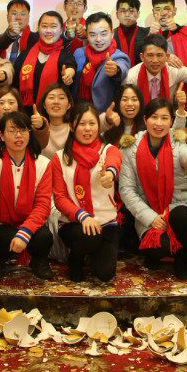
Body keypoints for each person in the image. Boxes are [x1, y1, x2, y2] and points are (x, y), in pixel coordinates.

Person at [119, 99, 187, 279]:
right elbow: (127, 190)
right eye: (154, 117)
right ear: (145, 120)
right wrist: (151, 218)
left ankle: (183, 256)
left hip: (179, 203)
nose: (159, 123)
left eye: (164, 118)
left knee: (181, 217)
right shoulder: (130, 149)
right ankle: (159, 253)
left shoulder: (177, 142)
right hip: (148, 209)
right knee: (159, 248)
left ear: (171, 121)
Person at [0, 111, 55, 281]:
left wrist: (25, 232)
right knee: (5, 238)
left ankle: (38, 261)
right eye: (12, 131)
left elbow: (43, 205)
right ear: (1, 136)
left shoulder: (42, 163)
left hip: (27, 222)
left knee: (45, 237)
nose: (18, 136)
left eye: (23, 130)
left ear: (29, 133)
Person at [51, 104, 123, 282]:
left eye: (92, 123)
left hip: (106, 222)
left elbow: (114, 161)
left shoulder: (108, 150)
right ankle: (76, 258)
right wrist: (83, 216)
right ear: (71, 126)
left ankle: (91, 253)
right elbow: (60, 198)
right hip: (74, 223)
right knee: (90, 237)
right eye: (82, 124)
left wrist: (110, 174)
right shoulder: (60, 158)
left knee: (105, 274)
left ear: (98, 126)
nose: (87, 129)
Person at [124, 35, 187, 105]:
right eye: (150, 55)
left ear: (167, 57)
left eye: (159, 55)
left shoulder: (174, 71)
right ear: (142, 57)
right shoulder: (131, 77)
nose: (155, 60)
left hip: (168, 118)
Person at [13, 11, 76, 109]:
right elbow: (14, 83)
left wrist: (68, 75)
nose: (48, 30)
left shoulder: (66, 56)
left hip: (54, 112)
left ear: (61, 30)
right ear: (38, 29)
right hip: (25, 112)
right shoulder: (25, 55)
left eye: (53, 26)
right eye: (44, 26)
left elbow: (70, 67)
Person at [72, 12, 129, 109]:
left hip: (105, 113)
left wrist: (116, 71)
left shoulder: (118, 57)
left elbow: (122, 68)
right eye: (93, 35)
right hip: (79, 110)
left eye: (103, 34)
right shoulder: (79, 53)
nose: (98, 39)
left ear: (112, 34)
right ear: (87, 35)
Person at [32, 83, 72, 160]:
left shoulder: (75, 128)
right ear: (44, 105)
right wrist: (40, 129)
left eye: (61, 98)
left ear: (68, 105)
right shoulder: (39, 129)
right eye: (51, 97)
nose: (56, 102)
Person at [113, 0, 149, 66]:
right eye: (123, 11)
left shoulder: (147, 33)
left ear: (138, 14)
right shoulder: (110, 35)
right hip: (115, 73)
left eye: (131, 11)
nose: (127, 14)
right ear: (117, 14)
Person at [0, 0, 34, 64]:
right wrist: (10, 34)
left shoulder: (37, 40)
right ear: (7, 17)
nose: (18, 18)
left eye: (22, 14)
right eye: (14, 13)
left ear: (28, 18)